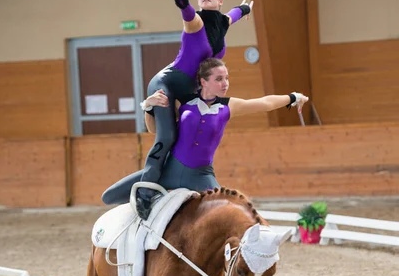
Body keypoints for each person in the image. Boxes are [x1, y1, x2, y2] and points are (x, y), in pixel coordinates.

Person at [102, 0, 253, 218]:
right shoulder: (196, 25)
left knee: (191, 129)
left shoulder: (223, 22)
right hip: (166, 83)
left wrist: (246, 9)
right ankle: (146, 192)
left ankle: (178, 174)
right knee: (168, 134)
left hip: (189, 89)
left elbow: (235, 13)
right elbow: (187, 12)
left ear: (220, 0)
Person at [102, 58, 308, 201]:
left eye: (227, 78)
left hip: (201, 176)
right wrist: (148, 107)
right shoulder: (183, 103)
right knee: (110, 196)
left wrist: (293, 97)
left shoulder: (229, 106)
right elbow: (154, 130)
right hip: (167, 170)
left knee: (227, 210)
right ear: (203, 82)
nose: (225, 83)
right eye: (219, 79)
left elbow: (265, 103)